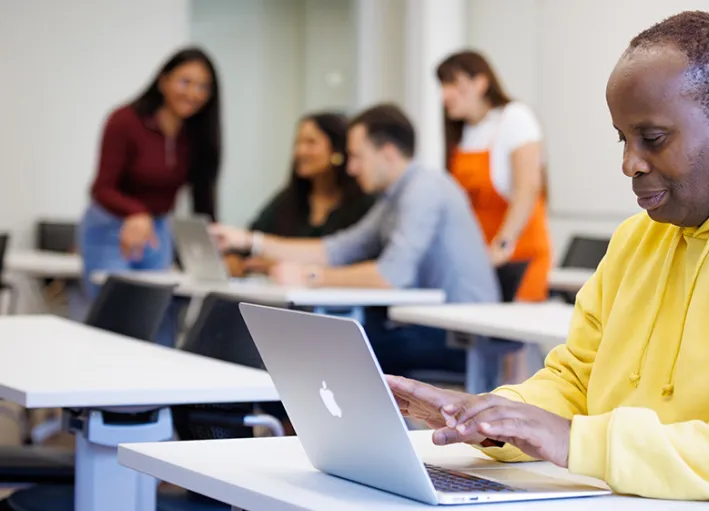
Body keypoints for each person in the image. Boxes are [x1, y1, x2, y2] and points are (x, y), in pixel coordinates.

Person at [387, 11, 709, 510]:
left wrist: (577, 442)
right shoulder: (641, 238)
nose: (629, 163)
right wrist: (488, 417)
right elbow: (577, 382)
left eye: (652, 139)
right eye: (623, 139)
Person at [213, 103, 500, 376]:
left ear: (387, 153)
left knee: (313, 349)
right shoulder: (393, 197)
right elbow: (337, 249)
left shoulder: (424, 191)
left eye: (356, 156)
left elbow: (390, 276)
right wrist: (251, 242)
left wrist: (311, 276)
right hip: (428, 326)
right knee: (307, 345)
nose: (350, 168)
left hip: (461, 337)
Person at [77, 47, 221, 345]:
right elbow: (102, 188)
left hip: (157, 230)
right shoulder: (125, 121)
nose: (193, 93)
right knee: (116, 323)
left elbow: (202, 196)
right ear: (163, 80)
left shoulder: (197, 133)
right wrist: (135, 212)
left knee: (160, 322)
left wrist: (211, 244)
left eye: (203, 86)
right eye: (185, 81)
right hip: (110, 228)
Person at [437, 51, 551, 301]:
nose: (445, 95)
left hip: (520, 257)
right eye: (442, 86)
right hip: (481, 263)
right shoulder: (463, 133)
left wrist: (503, 244)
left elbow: (528, 188)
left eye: (453, 84)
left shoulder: (515, 117)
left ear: (481, 83)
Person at [224, 112, 374, 277]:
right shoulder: (289, 200)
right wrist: (234, 260)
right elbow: (248, 241)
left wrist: (279, 264)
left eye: (310, 142)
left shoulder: (365, 202)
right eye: (298, 143)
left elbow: (357, 258)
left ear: (337, 150)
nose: (300, 151)